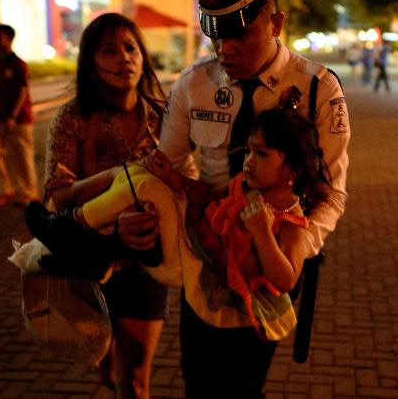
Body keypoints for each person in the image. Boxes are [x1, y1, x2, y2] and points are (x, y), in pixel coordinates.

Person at [115, 0, 349, 398]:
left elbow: (332, 194)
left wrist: (290, 252)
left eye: (241, 34)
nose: (227, 50)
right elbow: (172, 165)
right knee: (199, 382)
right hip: (204, 258)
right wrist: (168, 222)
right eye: (216, 36)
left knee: (243, 384)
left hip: (269, 263)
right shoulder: (193, 84)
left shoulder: (318, 88)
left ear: (276, 22)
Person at [27, 106, 332, 397]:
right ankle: (80, 239)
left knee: (143, 186)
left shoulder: (291, 222)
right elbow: (211, 195)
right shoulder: (248, 186)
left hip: (200, 272)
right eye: (249, 151)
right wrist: (175, 180)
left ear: (291, 168)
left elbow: (286, 281)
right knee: (137, 174)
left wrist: (263, 234)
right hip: (195, 246)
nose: (249, 160)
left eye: (261, 153)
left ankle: (71, 231)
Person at [39, 12, 169, 399]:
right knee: (108, 370)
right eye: (110, 51)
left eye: (131, 48)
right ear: (92, 65)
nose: (124, 58)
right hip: (89, 264)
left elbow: (185, 179)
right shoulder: (72, 119)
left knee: (135, 380)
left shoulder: (163, 118)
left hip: (147, 263)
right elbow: (58, 195)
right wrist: (120, 178)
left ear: (143, 58)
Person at [0, 24, 39, 209]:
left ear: (8, 40)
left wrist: (13, 116)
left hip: (20, 118)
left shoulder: (18, 64)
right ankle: (6, 189)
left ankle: (29, 194)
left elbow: (23, 91)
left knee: (22, 156)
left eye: (0, 37)